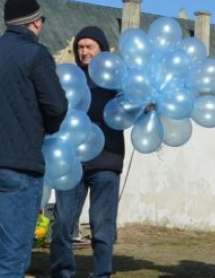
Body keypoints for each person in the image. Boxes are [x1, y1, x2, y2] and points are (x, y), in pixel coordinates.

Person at [0, 0, 68, 278]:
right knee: (11, 253)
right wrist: (47, 129)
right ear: (34, 22)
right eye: (42, 19)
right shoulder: (35, 54)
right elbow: (56, 107)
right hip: (17, 164)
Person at [50, 26, 125, 278]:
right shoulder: (66, 78)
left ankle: (101, 273)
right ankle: (62, 272)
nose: (84, 52)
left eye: (89, 47)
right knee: (62, 222)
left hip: (106, 162)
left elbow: (131, 109)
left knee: (103, 226)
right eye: (80, 47)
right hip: (71, 163)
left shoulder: (116, 80)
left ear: (101, 49)